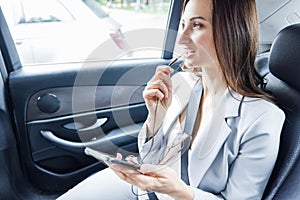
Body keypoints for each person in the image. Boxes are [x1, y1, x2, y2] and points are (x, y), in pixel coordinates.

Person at [57, 0, 285, 199]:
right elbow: (152, 158)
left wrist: (179, 191)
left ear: (231, 32)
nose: (181, 38)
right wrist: (155, 118)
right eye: (183, 24)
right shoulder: (181, 84)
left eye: (197, 25)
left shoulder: (262, 119)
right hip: (143, 191)